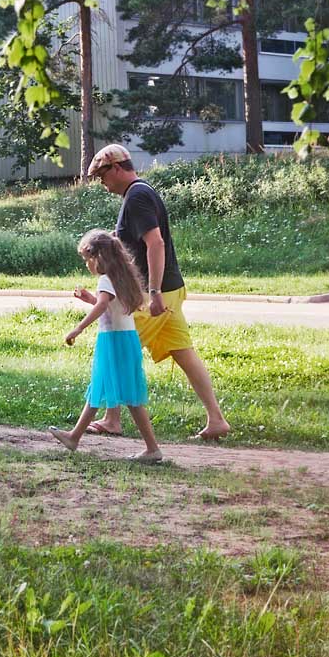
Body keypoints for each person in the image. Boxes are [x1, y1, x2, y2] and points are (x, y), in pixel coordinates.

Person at [82, 143, 232, 442]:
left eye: (103, 175)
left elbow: (155, 243)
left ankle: (112, 419)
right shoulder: (140, 193)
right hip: (170, 289)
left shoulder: (136, 196)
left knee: (117, 347)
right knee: (184, 353)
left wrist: (153, 292)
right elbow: (140, 242)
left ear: (116, 168)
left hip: (154, 294)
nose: (102, 182)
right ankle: (216, 419)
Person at [49, 229, 164, 464]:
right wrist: (90, 300)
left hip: (114, 341)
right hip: (124, 338)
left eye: (87, 260)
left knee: (126, 395)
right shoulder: (119, 277)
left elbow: (103, 306)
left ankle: (152, 449)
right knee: (103, 388)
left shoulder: (105, 279)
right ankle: (74, 437)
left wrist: (78, 328)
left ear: (98, 257)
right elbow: (109, 305)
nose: (87, 265)